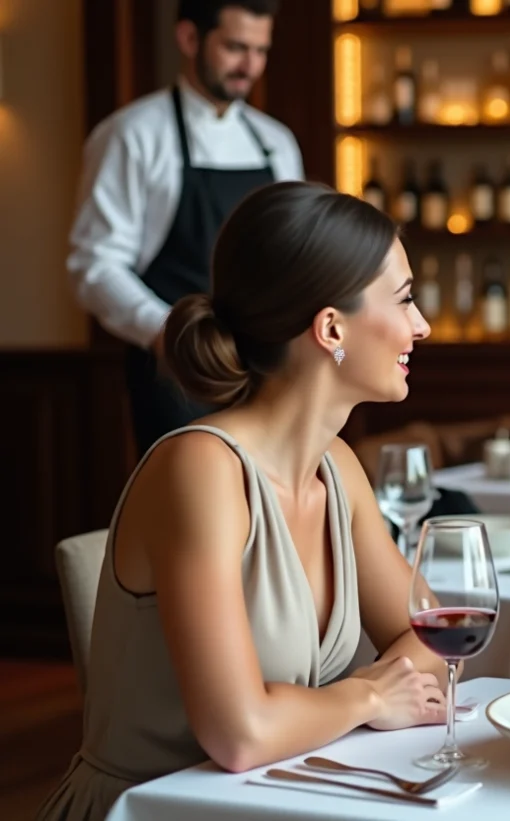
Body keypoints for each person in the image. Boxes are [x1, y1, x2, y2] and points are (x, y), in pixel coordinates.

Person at [38, 181, 444, 821]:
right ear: (331, 326)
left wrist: (329, 703)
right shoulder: (200, 468)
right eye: (404, 299)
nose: (422, 324)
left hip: (283, 799)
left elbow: (434, 637)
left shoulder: (337, 467)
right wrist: (367, 697)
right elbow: (240, 734)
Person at [67, 0, 304, 456]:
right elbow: (94, 265)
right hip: (178, 375)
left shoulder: (276, 143)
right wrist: (166, 334)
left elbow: (293, 257)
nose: (249, 66)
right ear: (189, 38)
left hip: (269, 369)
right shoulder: (132, 135)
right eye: (236, 47)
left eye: (260, 50)